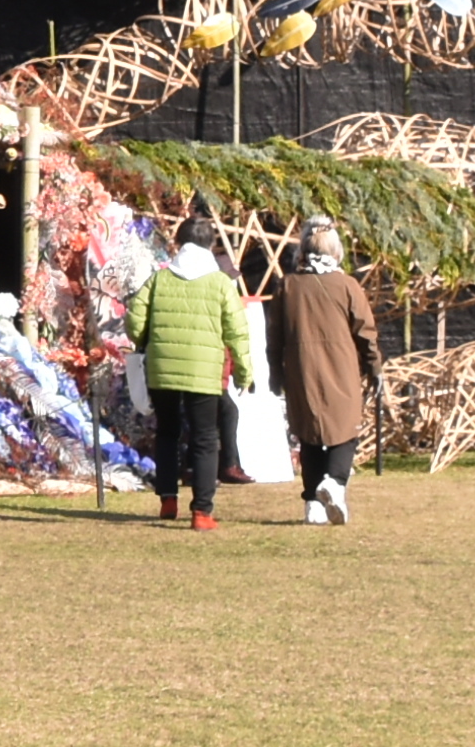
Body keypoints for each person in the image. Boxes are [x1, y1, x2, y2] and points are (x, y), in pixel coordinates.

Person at [127, 236, 257, 527]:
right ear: (209, 245)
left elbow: (135, 323)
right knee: (205, 438)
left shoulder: (158, 279)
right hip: (204, 371)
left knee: (167, 432)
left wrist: (148, 339)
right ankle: (201, 512)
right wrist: (244, 372)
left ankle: (168, 498)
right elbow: (237, 332)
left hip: (163, 368)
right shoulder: (221, 283)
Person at [266, 218, 383, 526]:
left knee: (309, 435)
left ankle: (313, 505)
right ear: (335, 250)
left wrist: (275, 375)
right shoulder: (347, 286)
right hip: (341, 367)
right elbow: (366, 333)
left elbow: (274, 337)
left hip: (300, 370)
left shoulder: (287, 286)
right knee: (345, 430)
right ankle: (335, 482)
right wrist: (374, 368)